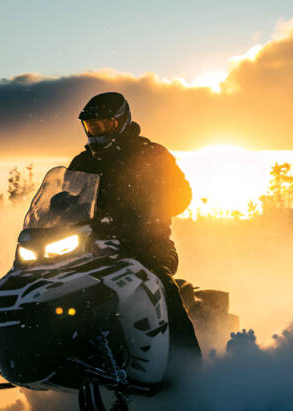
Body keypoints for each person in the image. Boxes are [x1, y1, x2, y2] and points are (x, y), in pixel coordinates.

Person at [68, 92, 202, 371]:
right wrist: (60, 206)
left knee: (160, 286)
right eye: (91, 126)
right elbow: (65, 198)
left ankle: (189, 370)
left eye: (102, 125)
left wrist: (150, 205)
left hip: (147, 243)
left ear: (120, 122)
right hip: (90, 247)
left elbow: (182, 195)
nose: (96, 131)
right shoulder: (82, 163)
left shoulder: (151, 155)